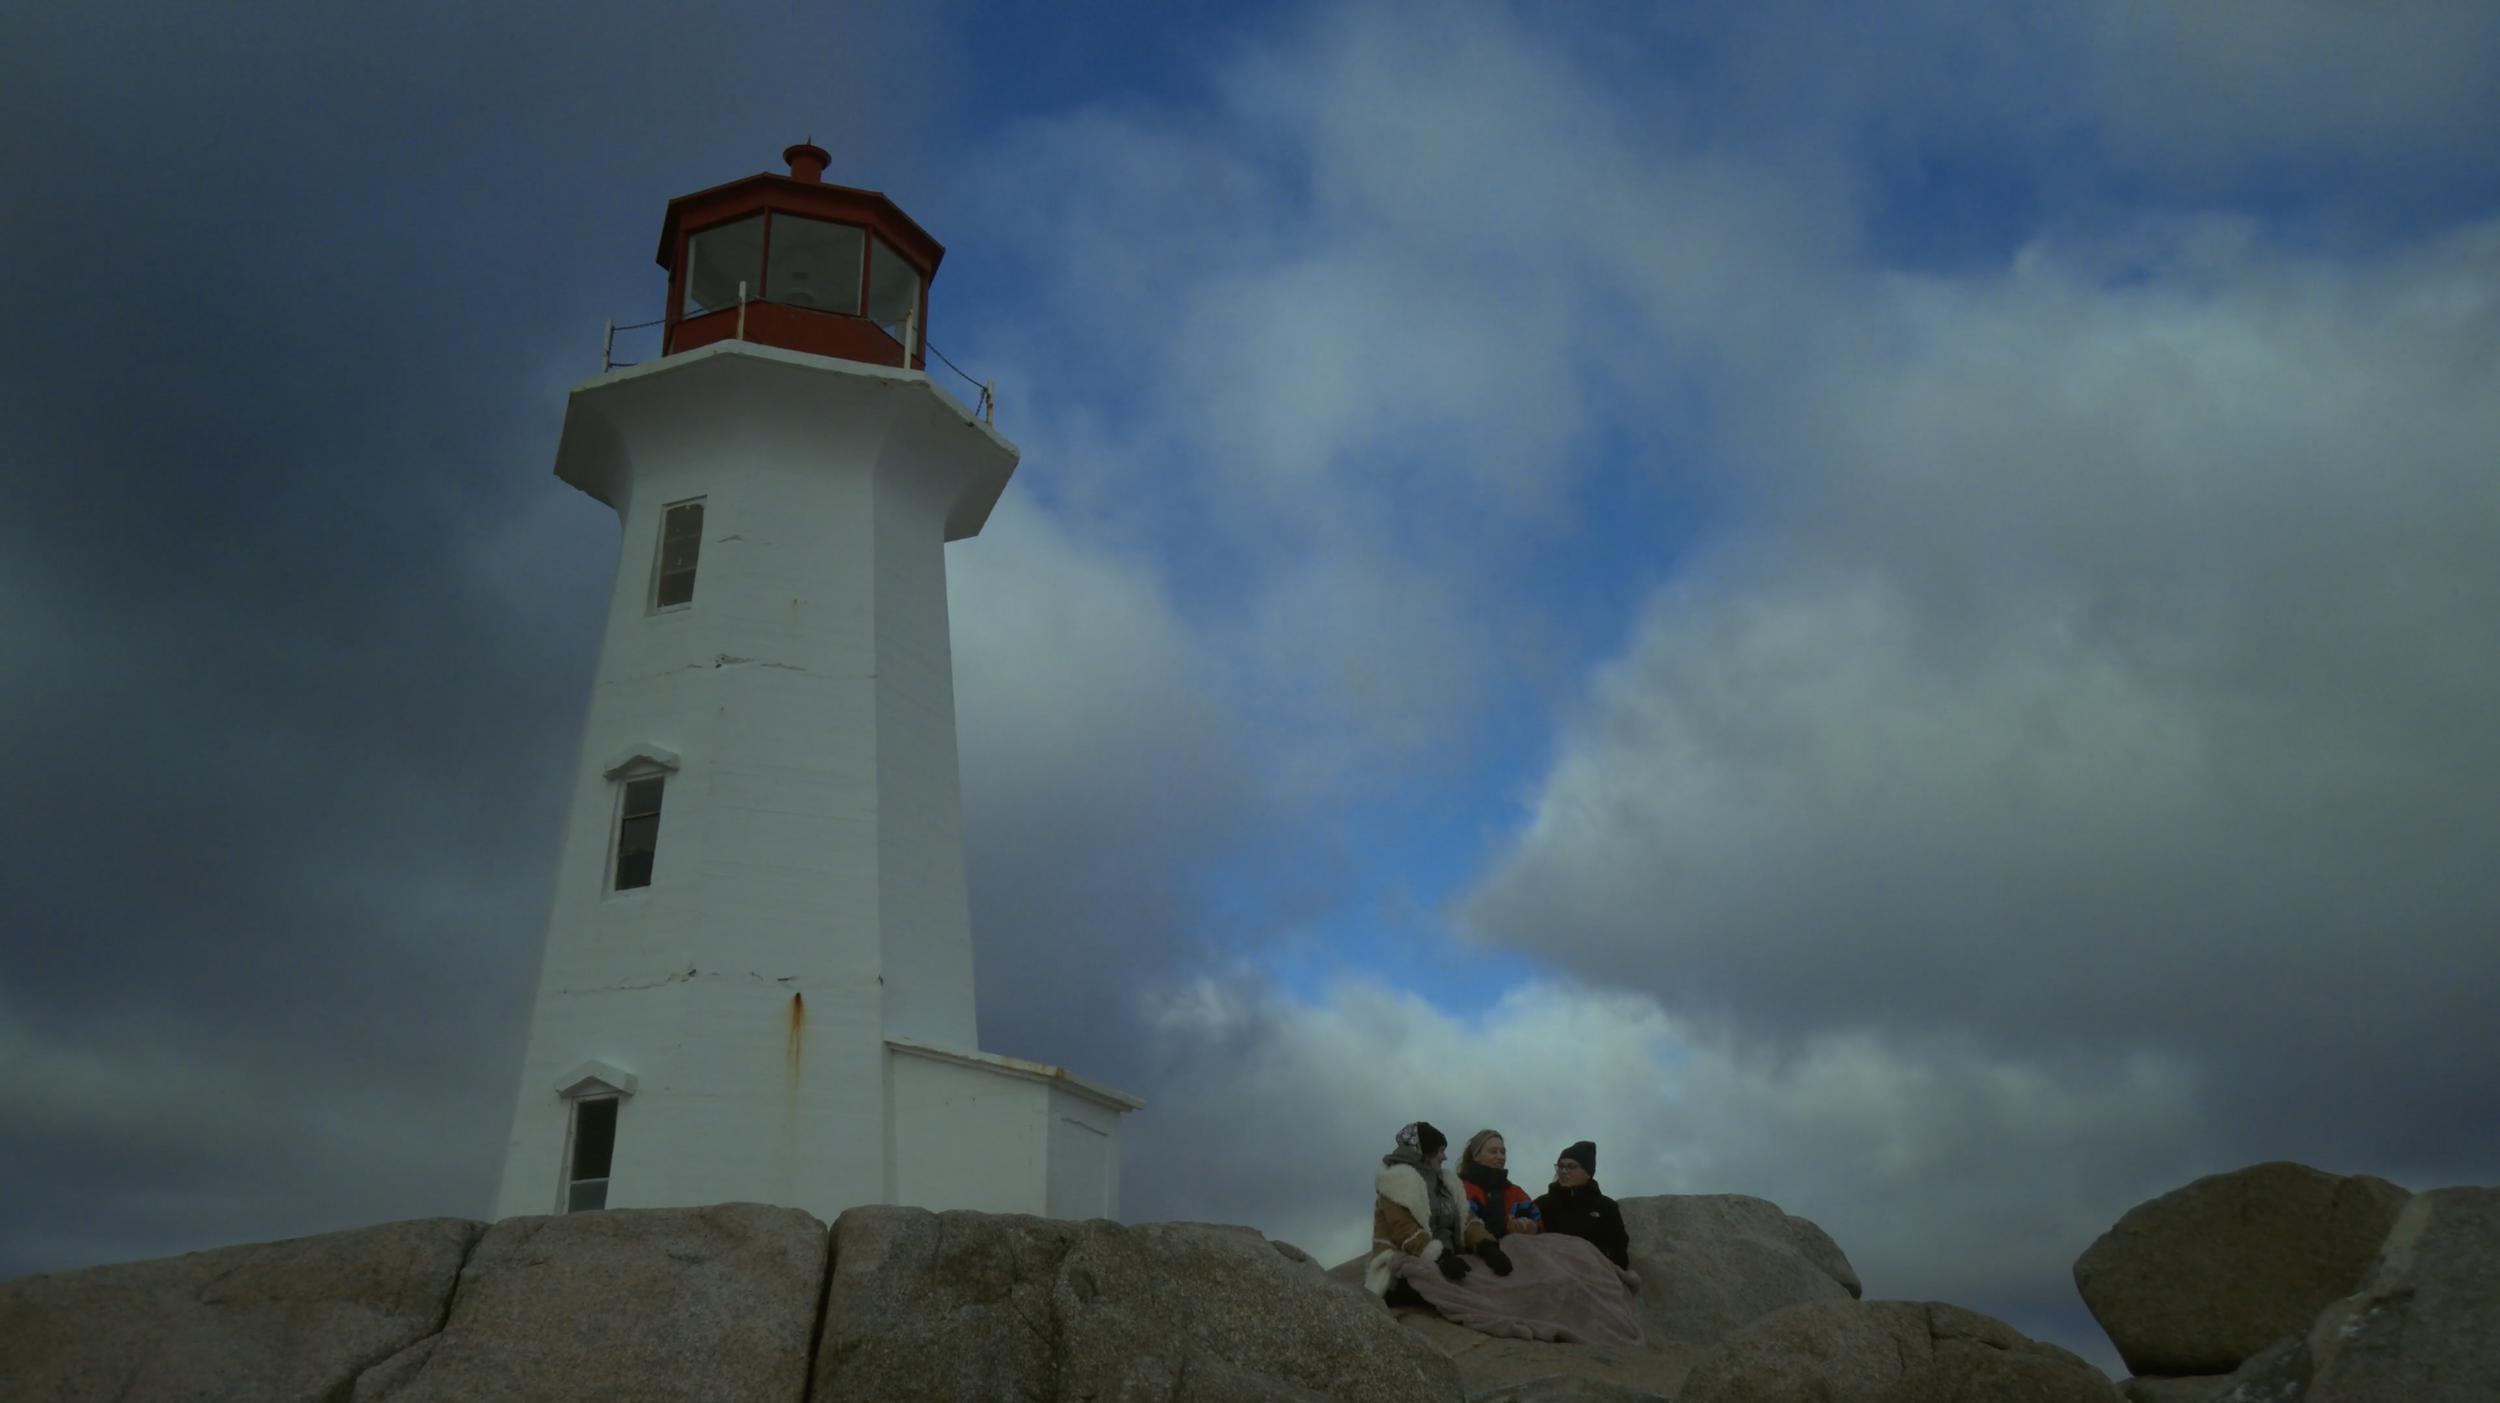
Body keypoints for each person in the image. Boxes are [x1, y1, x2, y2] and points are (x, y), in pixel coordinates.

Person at [1367, 1121, 1508, 1297]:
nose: (1444, 1157)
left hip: (1448, 1257)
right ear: (1425, 1152)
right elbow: (1404, 1231)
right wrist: (1441, 1257)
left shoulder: (1447, 1183)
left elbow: (1467, 1220)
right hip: (1406, 1258)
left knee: (1492, 1281)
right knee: (1454, 1291)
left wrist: (1487, 1246)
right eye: (1440, 1151)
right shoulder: (1396, 1182)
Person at [1532, 1140, 1630, 1270]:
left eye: (1571, 1166)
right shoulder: (1542, 1204)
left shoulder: (1605, 1207)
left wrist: (1586, 1255)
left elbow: (1619, 1255)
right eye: (1560, 1166)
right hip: (1549, 1271)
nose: (1563, 1171)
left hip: (1593, 1273)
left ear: (1588, 1172)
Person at [1457, 1129, 1542, 1243]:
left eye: (1503, 1152)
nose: (1500, 1157)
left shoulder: (1515, 1193)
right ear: (1476, 1156)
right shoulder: (1461, 1190)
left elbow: (1539, 1224)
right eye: (1493, 1151)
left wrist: (1528, 1226)